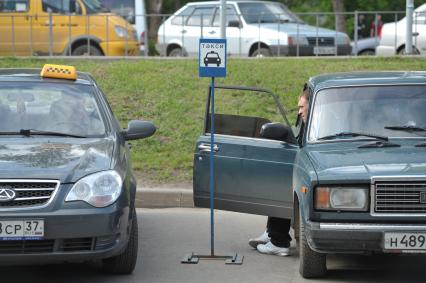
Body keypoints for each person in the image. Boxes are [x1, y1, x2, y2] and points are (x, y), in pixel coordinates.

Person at [248, 86, 309, 257]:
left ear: (312, 106)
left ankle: (279, 241)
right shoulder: (307, 124)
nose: (299, 112)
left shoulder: (317, 125)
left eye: (301, 107)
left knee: (282, 184)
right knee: (278, 177)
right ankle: (272, 233)